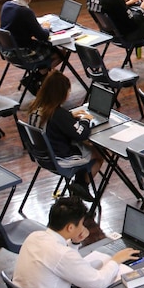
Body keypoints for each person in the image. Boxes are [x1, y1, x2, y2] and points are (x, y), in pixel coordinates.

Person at [28, 71, 103, 202]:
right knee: (99, 153)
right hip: (61, 159)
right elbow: (82, 134)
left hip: (43, 157)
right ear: (61, 94)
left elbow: (58, 125)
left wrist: (70, 118)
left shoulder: (36, 108)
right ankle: (81, 186)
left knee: (84, 147)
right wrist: (85, 119)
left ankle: (79, 184)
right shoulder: (58, 114)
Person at [0, 0, 62, 92]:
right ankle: (37, 77)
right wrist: (46, 27)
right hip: (23, 54)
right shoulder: (25, 12)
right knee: (60, 52)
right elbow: (42, 36)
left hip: (7, 51)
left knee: (47, 47)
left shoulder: (6, 6)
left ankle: (36, 77)